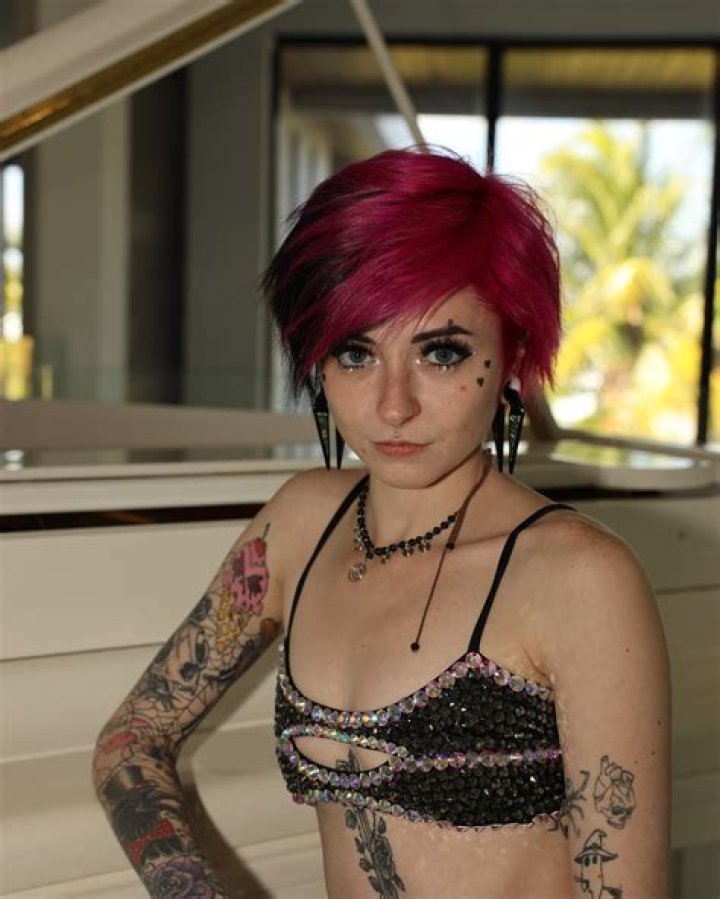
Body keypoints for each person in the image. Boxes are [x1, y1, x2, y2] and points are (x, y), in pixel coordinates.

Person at [92, 147, 670, 898]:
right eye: (355, 353)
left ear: (513, 352)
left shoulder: (578, 578)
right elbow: (130, 742)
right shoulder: (301, 525)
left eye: (441, 353)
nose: (394, 405)